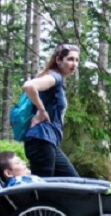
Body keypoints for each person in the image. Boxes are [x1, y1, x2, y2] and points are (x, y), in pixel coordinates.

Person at [21, 44, 80, 178]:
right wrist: (42, 111)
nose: (74, 64)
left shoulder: (58, 81)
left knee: (73, 182)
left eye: (77, 60)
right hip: (41, 139)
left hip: (48, 141)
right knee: (43, 189)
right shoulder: (55, 77)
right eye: (70, 59)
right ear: (58, 60)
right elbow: (29, 86)